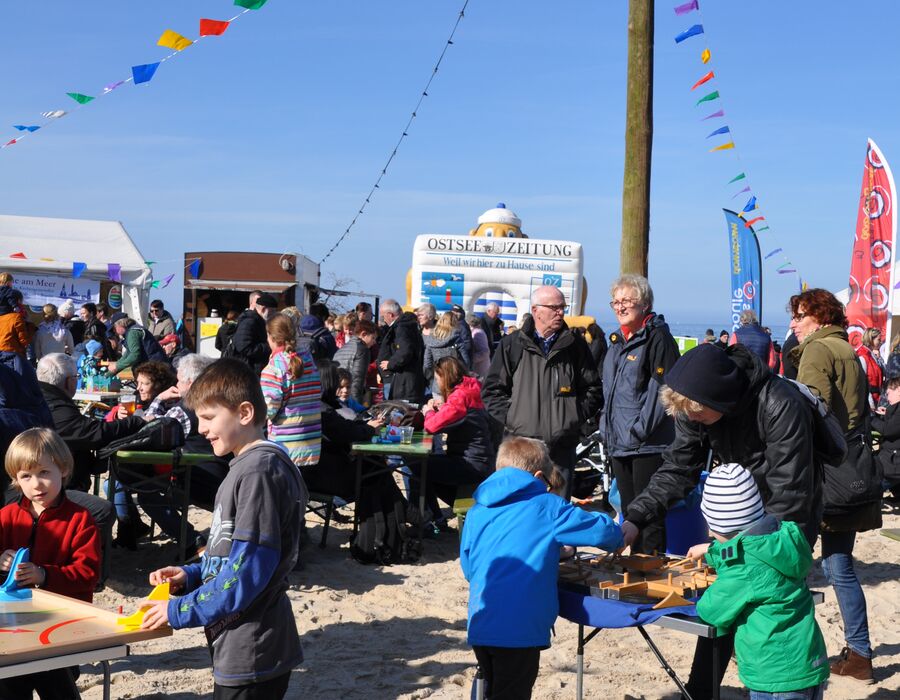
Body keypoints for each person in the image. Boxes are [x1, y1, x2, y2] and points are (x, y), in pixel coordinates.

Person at [620, 342, 828, 698]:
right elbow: (677, 468)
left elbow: (791, 496)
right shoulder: (696, 402)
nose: (692, 421)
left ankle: (775, 682)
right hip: (734, 514)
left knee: (762, 608)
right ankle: (702, 691)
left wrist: (741, 547)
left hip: (784, 523)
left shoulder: (779, 404)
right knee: (731, 598)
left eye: (698, 416)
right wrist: (635, 518)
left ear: (721, 402)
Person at [141, 359, 305, 698]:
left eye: (209, 417)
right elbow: (230, 551)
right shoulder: (244, 466)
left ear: (244, 413)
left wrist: (177, 610)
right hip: (238, 640)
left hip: (255, 644)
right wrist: (191, 574)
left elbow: (248, 571)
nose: (200, 429)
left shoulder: (259, 472)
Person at [460, 436, 623, 700]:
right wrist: (619, 532)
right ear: (539, 476)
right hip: (520, 628)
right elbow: (602, 532)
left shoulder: (478, 509)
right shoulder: (548, 506)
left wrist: (546, 554)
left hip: (481, 620)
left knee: (491, 687)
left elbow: (470, 568)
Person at [788, 288, 880, 682]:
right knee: (839, 566)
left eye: (799, 316)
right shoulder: (848, 350)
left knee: (789, 564)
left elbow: (811, 411)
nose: (793, 323)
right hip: (851, 470)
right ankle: (858, 654)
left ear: (819, 318)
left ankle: (797, 652)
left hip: (826, 476)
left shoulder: (818, 350)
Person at [688, 463, 829, 700]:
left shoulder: (742, 570)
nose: (711, 534)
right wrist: (711, 551)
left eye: (712, 529)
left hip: (774, 677)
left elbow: (712, 611)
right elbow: (745, 550)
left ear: (719, 525)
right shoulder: (783, 537)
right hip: (807, 662)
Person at [0, 428, 101, 700]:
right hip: (12, 629)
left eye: (45, 472)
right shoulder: (6, 516)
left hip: (62, 626)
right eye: (26, 476)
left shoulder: (80, 520)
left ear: (63, 470)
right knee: (9, 686)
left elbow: (88, 574)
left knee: (58, 687)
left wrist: (44, 575)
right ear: (15, 479)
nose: (36, 484)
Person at [482, 285, 601, 494]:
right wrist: (515, 419)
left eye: (562, 307)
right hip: (521, 449)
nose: (561, 312)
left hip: (561, 449)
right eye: (554, 307)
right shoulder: (512, 344)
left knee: (557, 512)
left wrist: (571, 418)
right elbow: (492, 390)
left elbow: (593, 389)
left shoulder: (575, 346)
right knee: (519, 508)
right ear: (536, 310)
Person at [601, 274, 680, 554]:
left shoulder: (658, 339)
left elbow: (663, 391)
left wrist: (638, 430)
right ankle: (635, 569)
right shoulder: (617, 343)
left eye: (627, 301)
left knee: (649, 515)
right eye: (616, 302)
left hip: (646, 444)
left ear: (644, 304)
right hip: (619, 442)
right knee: (629, 511)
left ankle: (651, 572)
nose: (620, 307)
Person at [416, 357, 495, 525]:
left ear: (445, 377)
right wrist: (443, 407)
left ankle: (433, 518)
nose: (437, 383)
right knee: (427, 468)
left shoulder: (459, 398)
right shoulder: (472, 387)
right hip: (482, 459)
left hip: (471, 464)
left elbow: (430, 426)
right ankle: (438, 516)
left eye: (438, 379)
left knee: (419, 466)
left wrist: (428, 411)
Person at [260, 314, 322, 467]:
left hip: (285, 445)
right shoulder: (308, 361)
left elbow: (268, 410)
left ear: (270, 337)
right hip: (311, 443)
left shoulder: (274, 368)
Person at [377, 299, 425, 404]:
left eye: (383, 316)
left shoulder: (402, 328)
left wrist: (391, 363)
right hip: (405, 380)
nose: (383, 320)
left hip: (404, 383)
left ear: (390, 315)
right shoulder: (407, 326)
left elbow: (406, 350)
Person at [230, 291, 278, 375]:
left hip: (253, 369)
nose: (273, 315)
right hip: (247, 371)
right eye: (272, 312)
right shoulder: (249, 321)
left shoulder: (259, 320)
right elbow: (244, 347)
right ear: (263, 309)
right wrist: (269, 346)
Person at [334, 319, 376, 406]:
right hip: (350, 397)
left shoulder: (344, 348)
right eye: (373, 338)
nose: (374, 342)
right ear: (364, 334)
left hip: (338, 394)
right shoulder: (362, 350)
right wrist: (356, 406)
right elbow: (358, 379)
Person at [872, 374, 900, 503]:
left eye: (888, 393)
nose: (887, 398)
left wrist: (871, 418)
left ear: (898, 390)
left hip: (895, 463)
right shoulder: (896, 408)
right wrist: (886, 413)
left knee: (878, 486)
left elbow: (888, 430)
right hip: (894, 459)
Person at [423, 311, 464, 396]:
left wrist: (432, 380)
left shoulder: (430, 340)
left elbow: (427, 365)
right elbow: (466, 362)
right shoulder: (457, 339)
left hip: (437, 384)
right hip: (456, 384)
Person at [856, 327, 884, 407]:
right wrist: (870, 403)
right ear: (871, 340)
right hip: (867, 402)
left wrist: (879, 358)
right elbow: (862, 382)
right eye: (878, 340)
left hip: (876, 399)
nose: (881, 342)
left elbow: (884, 372)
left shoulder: (872, 355)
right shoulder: (863, 356)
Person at [467, 314, 492, 379]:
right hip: (479, 368)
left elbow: (485, 352)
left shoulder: (478, 333)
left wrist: (471, 359)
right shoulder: (476, 332)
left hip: (480, 369)